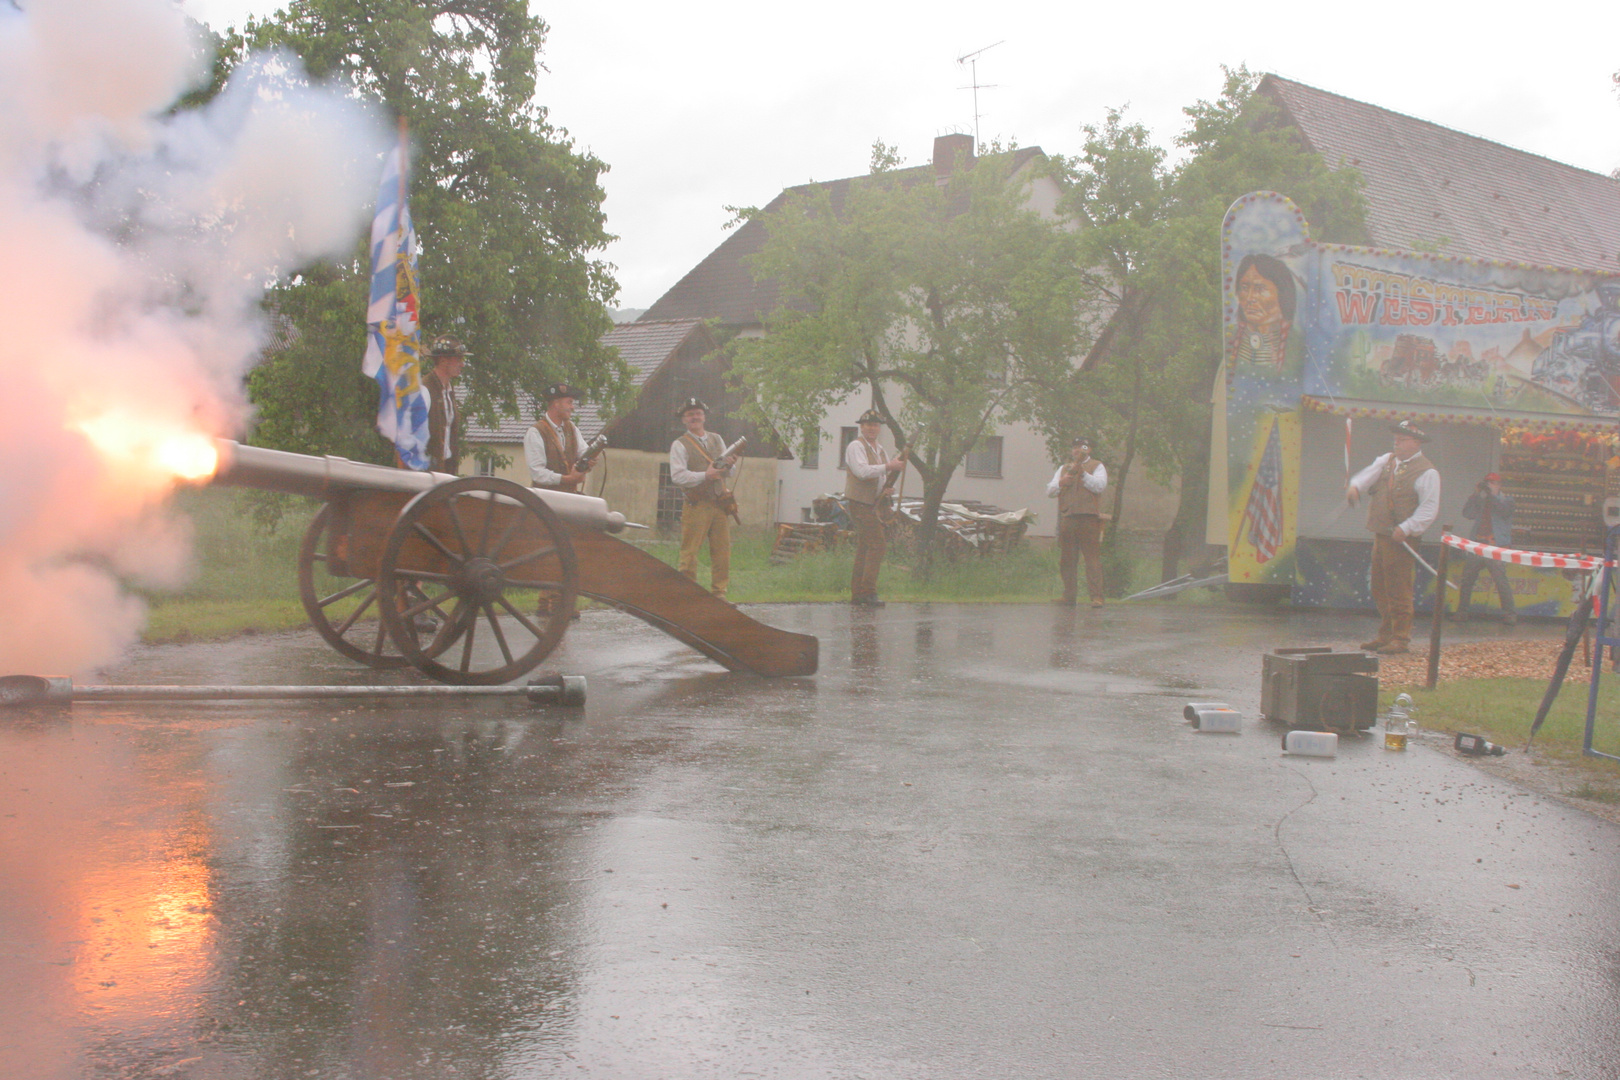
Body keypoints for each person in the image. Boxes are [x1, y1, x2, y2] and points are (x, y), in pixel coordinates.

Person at [1345, 419, 1441, 655]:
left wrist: (1407, 528)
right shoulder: (1387, 461)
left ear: (1417, 442)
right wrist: (1355, 486)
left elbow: (1429, 509)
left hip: (1402, 539)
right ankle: (1386, 634)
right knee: (1380, 587)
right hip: (1382, 533)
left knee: (1399, 588)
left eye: (1403, 439)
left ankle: (1401, 637)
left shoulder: (1428, 472)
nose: (1397, 442)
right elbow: (1365, 477)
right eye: (1396, 438)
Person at [669, 398, 738, 599]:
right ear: (684, 420)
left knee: (722, 552)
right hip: (696, 504)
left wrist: (730, 464)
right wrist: (705, 475)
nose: (695, 417)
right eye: (690, 415)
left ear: (704, 417)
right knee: (690, 552)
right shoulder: (679, 444)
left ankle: (719, 594)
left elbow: (729, 473)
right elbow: (678, 476)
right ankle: (688, 595)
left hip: (719, 503)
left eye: (698, 413)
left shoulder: (717, 439)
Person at [845, 409, 905, 606]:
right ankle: (868, 592)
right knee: (878, 545)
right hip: (860, 503)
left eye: (876, 425)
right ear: (862, 427)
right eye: (869, 425)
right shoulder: (856, 446)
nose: (872, 428)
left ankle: (857, 594)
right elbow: (862, 472)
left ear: (879, 428)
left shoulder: (880, 449)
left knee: (865, 547)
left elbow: (879, 476)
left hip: (873, 503)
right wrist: (889, 466)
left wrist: (886, 489)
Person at [1046, 436, 1108, 608]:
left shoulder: (1097, 466)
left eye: (1081, 448)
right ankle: (1069, 596)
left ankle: (1097, 597)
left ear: (1088, 450)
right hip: (1068, 517)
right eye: (1074, 447)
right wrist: (1061, 482)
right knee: (1067, 559)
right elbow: (1049, 491)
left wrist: (1083, 475)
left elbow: (1100, 486)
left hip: (1088, 518)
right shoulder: (1064, 468)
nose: (1077, 451)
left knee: (1092, 559)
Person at [1455, 471, 1517, 625]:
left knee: (1501, 581)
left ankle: (1510, 614)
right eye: (1487, 483)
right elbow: (1467, 513)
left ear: (1499, 485)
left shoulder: (1507, 500)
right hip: (1478, 544)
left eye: (1492, 483)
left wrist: (1492, 495)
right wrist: (1476, 494)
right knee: (1467, 580)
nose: (1489, 486)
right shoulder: (1482, 501)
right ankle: (1462, 612)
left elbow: (1504, 511)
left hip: (1495, 546)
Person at [1230, 254, 1303, 372]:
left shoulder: (1299, 346)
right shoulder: (1228, 339)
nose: (1250, 298)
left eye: (1260, 289)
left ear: (1283, 295)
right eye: (1244, 288)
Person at [525, 383, 590, 492]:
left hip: (569, 498)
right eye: (569, 402)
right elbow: (538, 473)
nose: (572, 407)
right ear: (556, 403)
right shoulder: (535, 432)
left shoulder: (572, 429)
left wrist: (590, 458)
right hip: (544, 501)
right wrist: (567, 479)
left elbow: (584, 452)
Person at [422, 336, 469, 472]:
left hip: (444, 470)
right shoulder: (424, 390)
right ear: (443, 360)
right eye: (458, 359)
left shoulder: (448, 390)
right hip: (425, 473)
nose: (462, 364)